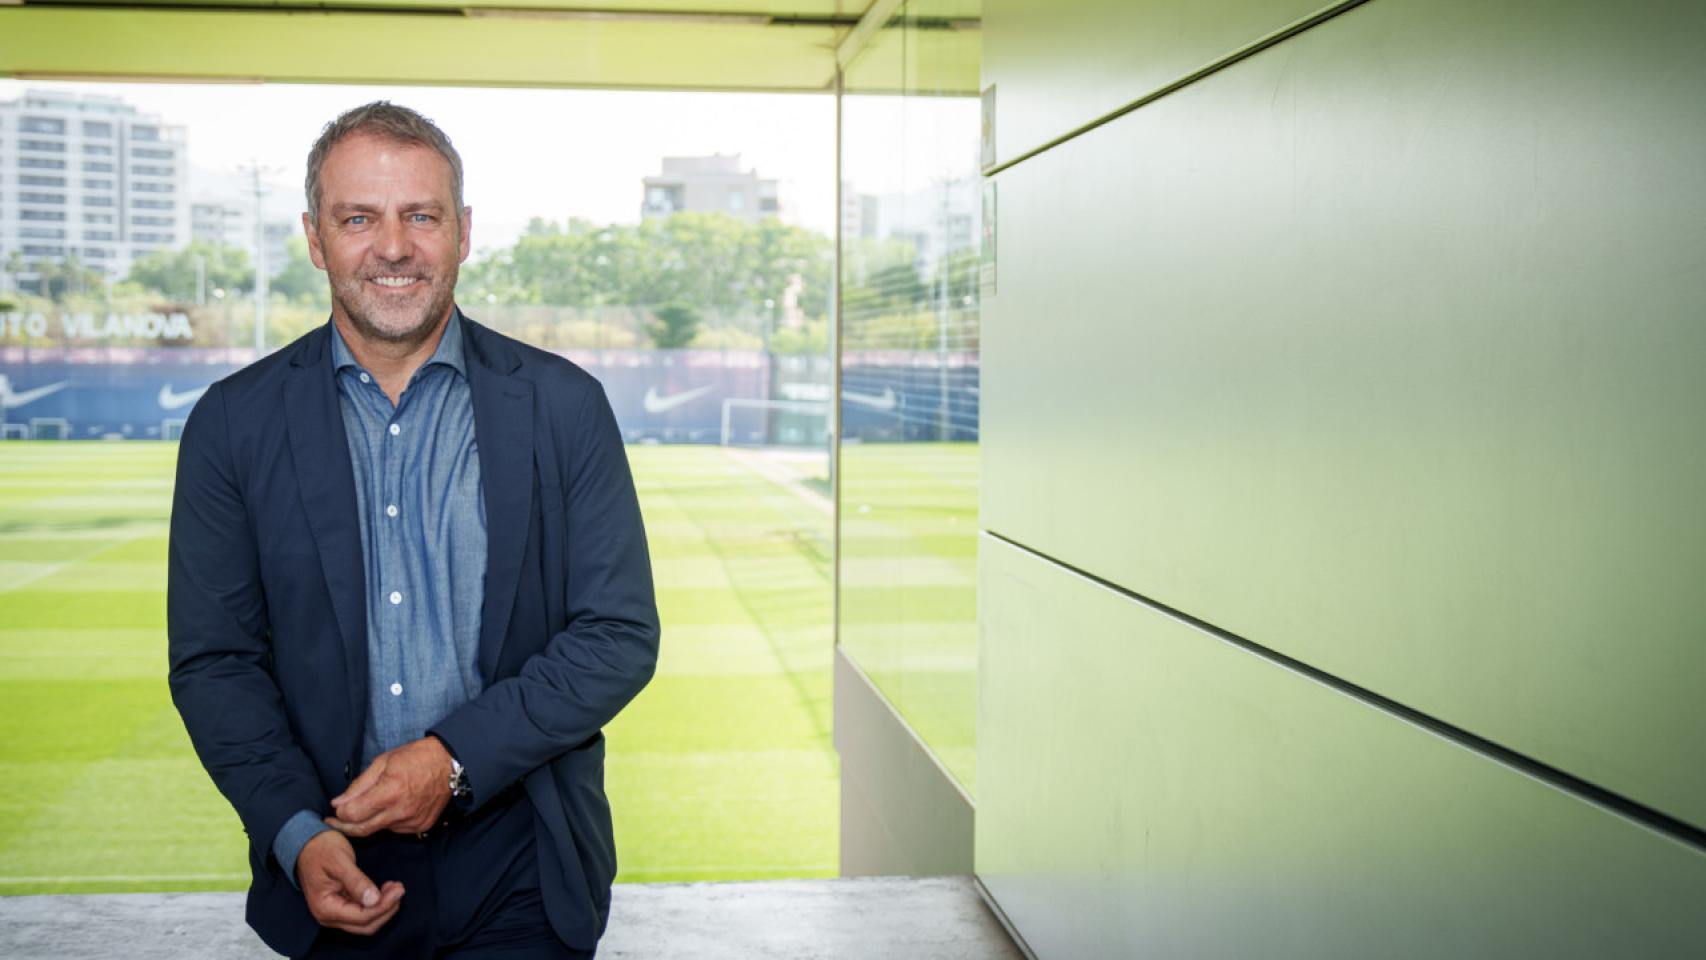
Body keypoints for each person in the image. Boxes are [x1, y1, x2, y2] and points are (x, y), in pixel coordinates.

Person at [167, 101, 659, 958]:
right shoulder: (231, 425)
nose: (392, 246)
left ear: (461, 231)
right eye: (359, 218)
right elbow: (217, 663)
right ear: (317, 239)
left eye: (420, 216)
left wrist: (453, 759)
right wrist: (294, 832)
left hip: (523, 866)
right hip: (333, 860)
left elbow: (617, 635)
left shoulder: (563, 406)